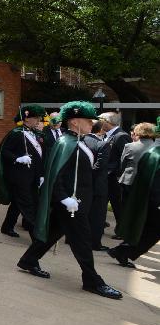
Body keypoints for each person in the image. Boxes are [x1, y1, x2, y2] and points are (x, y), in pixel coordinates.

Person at [16, 101, 122, 300]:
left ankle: (29, 260)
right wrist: (64, 198)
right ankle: (92, 280)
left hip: (77, 202)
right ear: (74, 122)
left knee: (54, 232)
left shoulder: (81, 141)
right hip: (70, 204)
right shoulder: (66, 143)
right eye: (87, 120)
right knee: (82, 241)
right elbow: (56, 176)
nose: (92, 123)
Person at [0, 105, 47, 238]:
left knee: (18, 203)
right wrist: (18, 158)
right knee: (28, 204)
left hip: (32, 175)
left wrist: (41, 175)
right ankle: (36, 235)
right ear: (27, 118)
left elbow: (39, 156)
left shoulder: (35, 134)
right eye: (36, 118)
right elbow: (5, 152)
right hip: (19, 176)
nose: (38, 121)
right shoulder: (16, 133)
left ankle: (7, 226)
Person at [108, 131, 160, 268]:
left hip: (148, 201)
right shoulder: (156, 154)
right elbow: (155, 184)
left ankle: (122, 251)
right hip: (154, 202)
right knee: (150, 232)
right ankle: (122, 251)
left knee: (148, 232)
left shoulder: (152, 152)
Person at [100, 112, 132, 238]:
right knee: (102, 203)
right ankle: (99, 226)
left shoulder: (120, 136)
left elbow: (125, 158)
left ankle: (122, 232)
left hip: (115, 179)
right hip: (106, 178)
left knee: (118, 205)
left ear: (109, 122)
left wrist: (115, 172)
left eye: (101, 120)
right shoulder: (108, 135)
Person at [83, 120, 112, 251]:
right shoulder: (103, 144)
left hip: (83, 184)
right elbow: (101, 166)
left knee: (84, 212)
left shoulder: (82, 140)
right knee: (98, 216)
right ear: (100, 130)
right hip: (98, 185)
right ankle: (95, 242)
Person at [117, 122, 157, 202]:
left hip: (129, 180)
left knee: (126, 206)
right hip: (150, 182)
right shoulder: (156, 147)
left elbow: (122, 164)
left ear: (137, 131)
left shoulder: (129, 146)